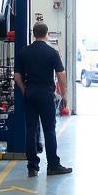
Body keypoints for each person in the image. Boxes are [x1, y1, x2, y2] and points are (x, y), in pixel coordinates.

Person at [14, 22, 72, 178]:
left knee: (31, 130)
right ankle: (53, 165)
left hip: (30, 93)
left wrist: (24, 89)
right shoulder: (52, 53)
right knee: (49, 130)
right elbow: (61, 75)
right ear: (47, 34)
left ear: (33, 34)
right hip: (46, 94)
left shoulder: (23, 52)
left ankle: (32, 167)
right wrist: (64, 94)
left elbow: (17, 76)